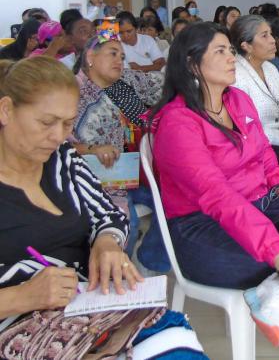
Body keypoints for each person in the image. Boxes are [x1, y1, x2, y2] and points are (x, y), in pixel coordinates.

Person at [150, 22, 279, 360]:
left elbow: (262, 153)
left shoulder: (237, 100)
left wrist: (276, 185)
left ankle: (277, 291)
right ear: (190, 63)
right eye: (220, 51)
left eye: (230, 49)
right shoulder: (178, 123)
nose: (231, 57)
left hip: (259, 206)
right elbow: (218, 197)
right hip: (203, 232)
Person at [0, 57, 205, 357]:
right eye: (46, 122)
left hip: (90, 309)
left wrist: (107, 242)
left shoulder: (61, 159)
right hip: (19, 324)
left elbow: (106, 212)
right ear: (6, 110)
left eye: (67, 124)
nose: (58, 135)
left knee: (174, 343)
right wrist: (21, 297)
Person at [71, 20, 168, 271]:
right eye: (112, 54)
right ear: (91, 56)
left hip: (135, 170)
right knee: (127, 224)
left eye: (122, 56)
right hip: (95, 179)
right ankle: (118, 276)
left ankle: (149, 262)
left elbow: (162, 85)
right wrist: (91, 150)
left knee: (177, 201)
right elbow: (58, 144)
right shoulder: (73, 92)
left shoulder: (125, 80)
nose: (119, 61)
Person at [230, 15, 279, 176]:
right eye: (264, 36)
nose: (273, 40)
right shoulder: (235, 75)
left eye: (271, 34)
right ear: (246, 46)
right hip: (257, 147)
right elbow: (248, 129)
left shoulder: (271, 69)